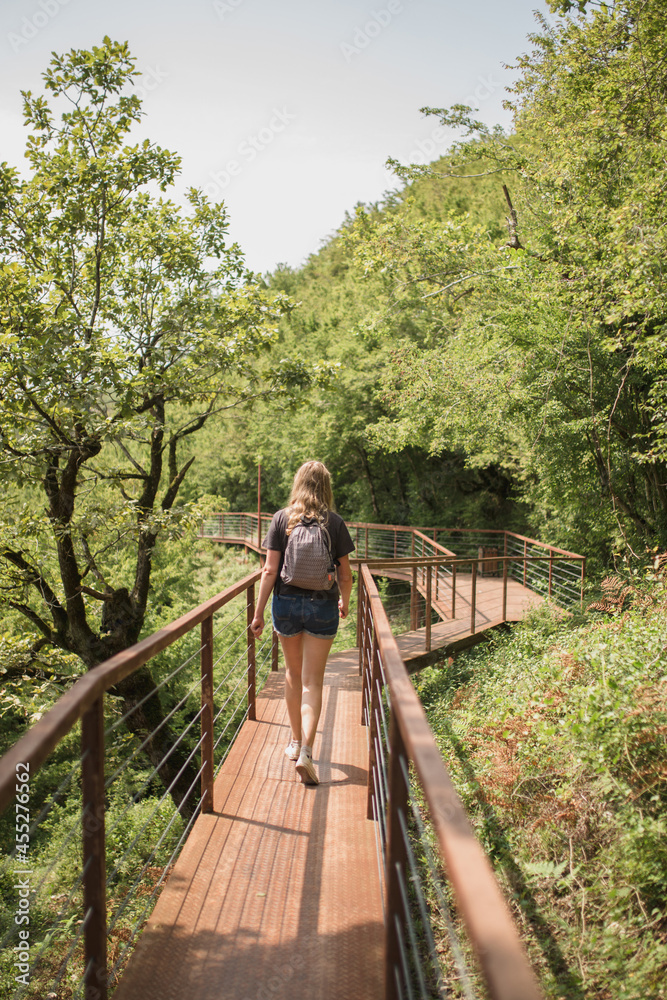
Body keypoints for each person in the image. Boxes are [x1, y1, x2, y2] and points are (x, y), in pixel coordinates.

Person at [250, 461, 354, 785]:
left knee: (292, 676)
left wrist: (257, 613)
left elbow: (269, 570)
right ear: (326, 486)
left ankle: (294, 742)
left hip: (286, 604)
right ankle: (308, 750)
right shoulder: (334, 523)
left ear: (298, 484)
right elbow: (346, 574)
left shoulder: (282, 519)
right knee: (313, 682)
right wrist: (345, 601)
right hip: (323, 605)